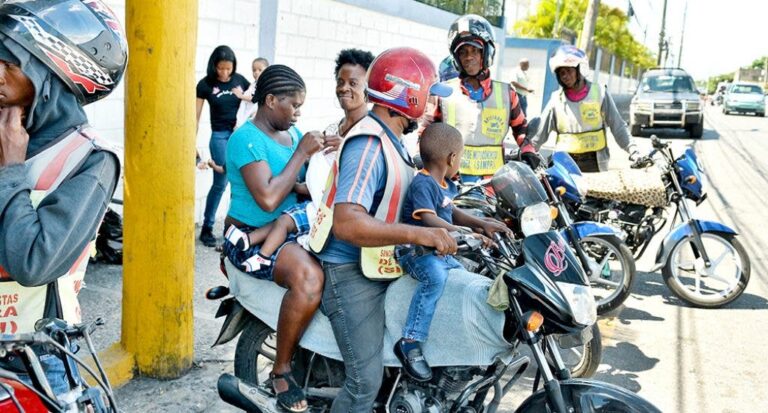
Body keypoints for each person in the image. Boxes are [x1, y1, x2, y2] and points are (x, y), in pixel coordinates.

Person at [308, 47, 458, 413]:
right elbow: (348, 221)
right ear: (407, 93)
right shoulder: (370, 144)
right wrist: (420, 235)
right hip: (350, 272)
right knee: (365, 383)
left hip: (380, 264)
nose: (428, 106)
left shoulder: (394, 141)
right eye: (426, 97)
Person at [0, 0, 126, 395]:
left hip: (33, 359)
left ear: (51, 72)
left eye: (9, 62)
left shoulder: (90, 159)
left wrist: (10, 170)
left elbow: (35, 262)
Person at [223, 64, 327, 413]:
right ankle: (281, 371)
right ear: (270, 100)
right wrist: (302, 155)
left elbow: (293, 186)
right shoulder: (245, 139)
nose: (298, 112)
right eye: (293, 104)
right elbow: (268, 197)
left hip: (292, 227)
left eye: (301, 105)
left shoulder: (292, 135)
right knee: (309, 279)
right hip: (248, 239)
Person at [393, 123, 502, 381]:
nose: (460, 161)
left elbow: (450, 211)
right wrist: (463, 233)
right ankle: (410, 341)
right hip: (416, 252)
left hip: (439, 252)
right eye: (461, 156)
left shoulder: (444, 183)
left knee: (463, 278)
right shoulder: (423, 183)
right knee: (436, 280)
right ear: (452, 158)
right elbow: (430, 219)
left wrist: (481, 224)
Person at [422, 14, 539, 181]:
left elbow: (520, 128)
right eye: (463, 52)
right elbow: (426, 131)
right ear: (456, 58)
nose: (469, 57)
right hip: (452, 185)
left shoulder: (507, 93)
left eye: (475, 50)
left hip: (495, 186)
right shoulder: (443, 93)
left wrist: (528, 151)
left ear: (487, 52)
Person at [525, 45, 639, 172]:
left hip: (596, 163)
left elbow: (618, 126)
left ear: (579, 70)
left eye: (569, 71)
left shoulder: (600, 93)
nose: (565, 76)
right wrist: (526, 154)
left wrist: (633, 150)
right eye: (561, 73)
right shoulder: (556, 99)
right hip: (564, 164)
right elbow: (539, 134)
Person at [195, 45, 251, 247]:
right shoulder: (205, 85)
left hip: (239, 136)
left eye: (229, 69)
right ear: (214, 66)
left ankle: (234, 229)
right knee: (221, 182)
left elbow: (255, 102)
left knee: (242, 183)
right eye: (221, 69)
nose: (225, 73)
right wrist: (192, 146)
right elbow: (195, 116)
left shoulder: (240, 81)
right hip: (219, 136)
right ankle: (207, 228)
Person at [235, 57, 270, 128]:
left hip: (253, 114)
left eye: (260, 70)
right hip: (246, 112)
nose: (256, 72)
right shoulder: (254, 84)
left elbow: (255, 98)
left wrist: (241, 96)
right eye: (254, 70)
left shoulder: (264, 84)